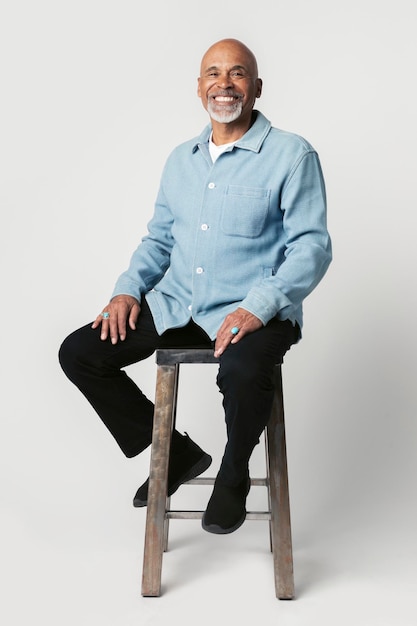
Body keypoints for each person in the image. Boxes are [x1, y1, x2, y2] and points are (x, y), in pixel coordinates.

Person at [59, 38, 332, 535]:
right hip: (178, 305)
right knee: (80, 352)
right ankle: (179, 455)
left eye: (237, 73)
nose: (223, 84)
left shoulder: (292, 154)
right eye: (213, 73)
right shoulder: (180, 160)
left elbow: (311, 248)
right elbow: (159, 241)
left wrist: (259, 307)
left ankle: (233, 475)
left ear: (257, 87)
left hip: (256, 312)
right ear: (199, 86)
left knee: (246, 371)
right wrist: (126, 291)